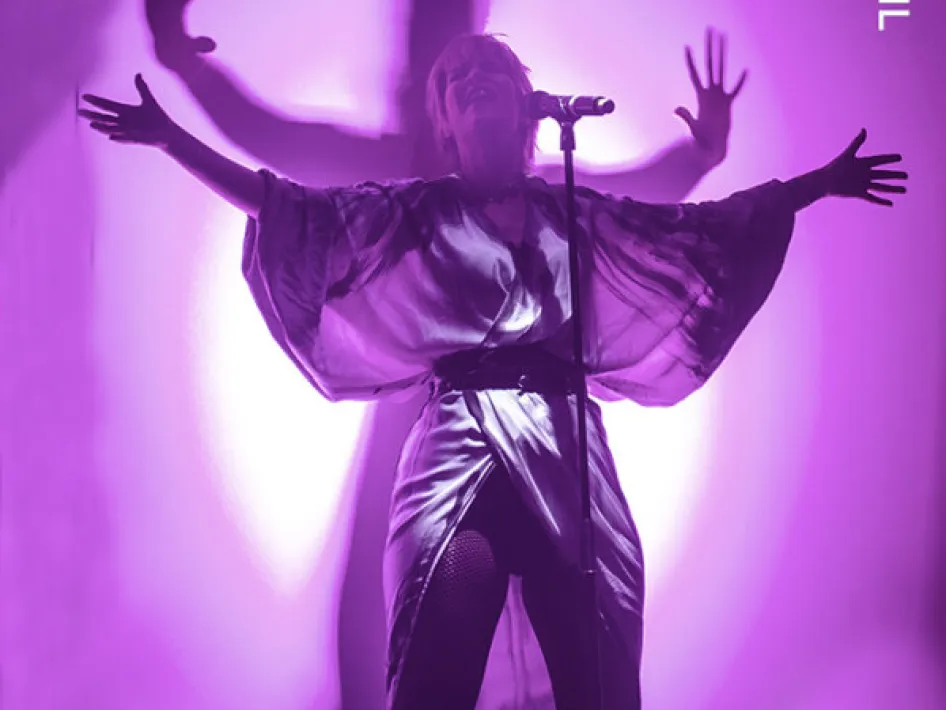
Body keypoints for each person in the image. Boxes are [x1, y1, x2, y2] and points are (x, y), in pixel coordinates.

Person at [79, 32, 906, 710]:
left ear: (525, 108)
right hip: (457, 457)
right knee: (441, 657)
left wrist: (812, 182)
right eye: (459, 79)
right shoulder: (415, 212)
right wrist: (173, 138)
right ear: (443, 119)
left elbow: (682, 218)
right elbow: (286, 204)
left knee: (592, 670)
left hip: (564, 456)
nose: (475, 82)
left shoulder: (570, 206)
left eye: (492, 74)